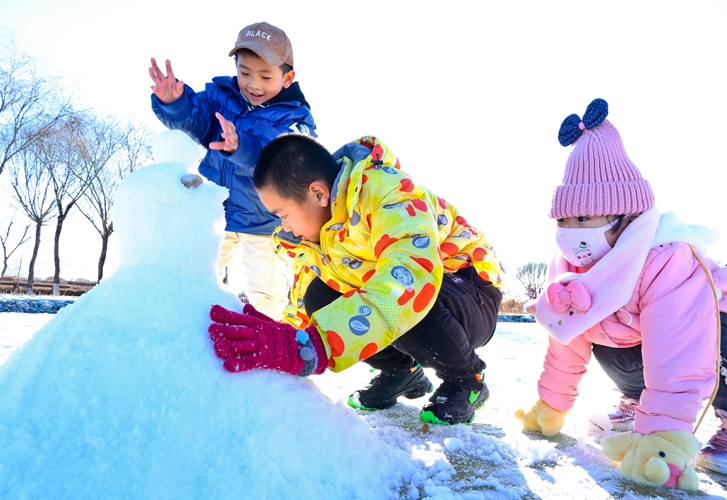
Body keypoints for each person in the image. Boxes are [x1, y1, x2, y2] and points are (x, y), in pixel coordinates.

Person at [515, 99, 727, 489]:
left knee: (712, 327)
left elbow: (680, 348)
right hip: (661, 344)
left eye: (584, 218)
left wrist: (662, 441)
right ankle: (639, 405)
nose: (571, 230)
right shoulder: (574, 265)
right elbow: (566, 334)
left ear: (625, 216)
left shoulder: (666, 257)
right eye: (564, 220)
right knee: (598, 324)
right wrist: (552, 403)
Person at [206, 134, 505, 426]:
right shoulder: (318, 237)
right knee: (318, 296)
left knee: (405, 294)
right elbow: (301, 304)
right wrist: (286, 337)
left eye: (283, 214)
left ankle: (467, 379)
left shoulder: (388, 193)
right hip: (419, 294)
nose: (284, 226)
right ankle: (401, 372)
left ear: (319, 194)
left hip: (467, 290)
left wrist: (316, 346)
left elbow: (410, 275)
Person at [149, 21, 317, 319]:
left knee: (267, 296)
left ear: (287, 77)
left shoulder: (295, 118)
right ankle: (188, 334)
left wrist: (242, 147)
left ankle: (272, 348)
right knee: (194, 274)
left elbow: (281, 157)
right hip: (215, 211)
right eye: (245, 73)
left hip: (265, 223)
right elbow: (197, 121)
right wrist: (175, 104)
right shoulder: (220, 97)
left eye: (266, 76)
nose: (254, 84)